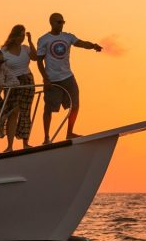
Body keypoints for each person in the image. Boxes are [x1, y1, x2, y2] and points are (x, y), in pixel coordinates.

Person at [36, 12, 102, 143]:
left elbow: (81, 43)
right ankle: (46, 137)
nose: (61, 24)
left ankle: (69, 132)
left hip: (67, 77)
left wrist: (93, 45)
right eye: (58, 22)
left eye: (63, 22)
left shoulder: (67, 37)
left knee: (75, 104)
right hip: (52, 79)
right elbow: (39, 61)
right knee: (49, 108)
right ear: (52, 23)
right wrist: (45, 78)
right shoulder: (43, 39)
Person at [0, 25, 37, 152]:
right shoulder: (4, 50)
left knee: (25, 112)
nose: (22, 37)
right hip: (12, 83)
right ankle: (10, 146)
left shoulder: (26, 48)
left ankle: (25, 142)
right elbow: (0, 68)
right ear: (14, 36)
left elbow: (35, 58)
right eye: (20, 34)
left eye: (23, 35)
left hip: (27, 80)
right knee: (13, 112)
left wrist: (31, 41)